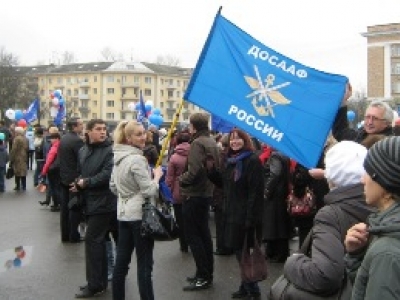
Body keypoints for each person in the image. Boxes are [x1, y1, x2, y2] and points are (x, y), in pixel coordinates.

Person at [282, 141, 374, 297]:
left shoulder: (330, 214)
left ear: (331, 175)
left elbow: (324, 276)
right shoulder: (380, 203)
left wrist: (293, 261)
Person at [110, 120, 163, 300]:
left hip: (123, 214)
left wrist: (126, 194)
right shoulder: (137, 159)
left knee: (121, 263)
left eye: (144, 133)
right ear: (128, 138)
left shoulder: (118, 157)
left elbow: (113, 187)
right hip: (140, 216)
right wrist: (156, 177)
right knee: (145, 264)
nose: (143, 137)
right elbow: (149, 190)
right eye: (138, 134)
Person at [344, 137, 400, 300]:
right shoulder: (386, 229)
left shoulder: (387, 252)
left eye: (368, 172)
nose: (362, 179)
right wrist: (357, 255)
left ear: (387, 185)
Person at [212, 129, 264, 299]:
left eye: (238, 139)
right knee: (238, 251)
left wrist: (250, 218)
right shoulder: (231, 160)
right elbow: (225, 184)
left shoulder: (252, 160)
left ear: (245, 140)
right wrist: (211, 172)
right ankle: (245, 285)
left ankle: (253, 290)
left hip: (244, 215)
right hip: (231, 212)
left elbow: (255, 192)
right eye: (232, 140)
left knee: (243, 253)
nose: (234, 142)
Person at [73, 119, 117, 298]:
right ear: (88, 132)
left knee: (93, 242)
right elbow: (81, 171)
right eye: (98, 129)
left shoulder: (109, 151)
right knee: (99, 242)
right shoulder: (84, 150)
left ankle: (95, 285)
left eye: (104, 129)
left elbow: (108, 174)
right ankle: (99, 282)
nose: (103, 132)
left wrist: (87, 182)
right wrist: (78, 183)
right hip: (89, 201)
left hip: (104, 203)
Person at [179, 112, 220, 291]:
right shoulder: (211, 141)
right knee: (204, 236)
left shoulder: (197, 143)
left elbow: (194, 170)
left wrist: (182, 179)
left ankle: (203, 275)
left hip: (194, 194)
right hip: (206, 192)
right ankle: (205, 273)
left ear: (193, 126)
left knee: (194, 236)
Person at [262, 149, 292, 263]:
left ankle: (276, 253)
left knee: (273, 224)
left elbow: (275, 174)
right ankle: (280, 252)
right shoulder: (284, 154)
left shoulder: (275, 156)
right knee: (280, 225)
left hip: (275, 195)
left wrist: (267, 190)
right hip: (281, 193)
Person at [58, 117, 84, 243]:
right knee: (74, 207)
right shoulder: (77, 141)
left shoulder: (64, 138)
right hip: (73, 179)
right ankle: (74, 235)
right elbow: (81, 160)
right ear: (74, 126)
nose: (82, 126)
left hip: (64, 177)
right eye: (81, 124)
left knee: (64, 209)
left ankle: (65, 235)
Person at [165, 129, 191, 252]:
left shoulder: (174, 157)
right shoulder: (195, 153)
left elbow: (169, 177)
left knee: (180, 220)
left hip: (178, 190)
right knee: (191, 219)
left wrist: (169, 189)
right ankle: (192, 242)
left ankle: (184, 245)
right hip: (192, 190)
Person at [40, 133, 61, 212]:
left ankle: (56, 204)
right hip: (59, 169)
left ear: (56, 139)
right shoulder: (62, 146)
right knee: (58, 187)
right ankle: (59, 203)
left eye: (52, 139)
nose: (50, 141)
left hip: (52, 170)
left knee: (54, 188)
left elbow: (48, 161)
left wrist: (44, 171)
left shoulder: (54, 147)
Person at [9, 127, 28, 191]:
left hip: (17, 156)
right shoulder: (25, 138)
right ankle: (24, 186)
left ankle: (18, 186)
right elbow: (27, 148)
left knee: (17, 171)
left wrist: (11, 158)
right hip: (24, 156)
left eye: (15, 131)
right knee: (23, 171)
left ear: (17, 132)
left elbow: (14, 149)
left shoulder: (17, 139)